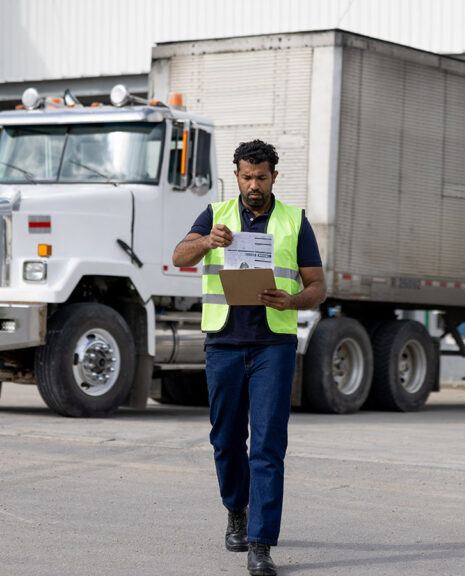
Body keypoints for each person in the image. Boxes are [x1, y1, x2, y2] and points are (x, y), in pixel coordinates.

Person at [172, 139, 326, 576]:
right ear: (236, 175)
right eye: (246, 176)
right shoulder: (215, 216)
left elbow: (318, 287)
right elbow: (179, 255)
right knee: (225, 439)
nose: (253, 184)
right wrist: (205, 242)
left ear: (274, 176)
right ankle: (235, 510)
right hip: (223, 342)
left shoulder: (294, 221)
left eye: (261, 177)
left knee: (267, 446)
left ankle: (261, 542)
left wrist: (291, 301)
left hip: (272, 346)